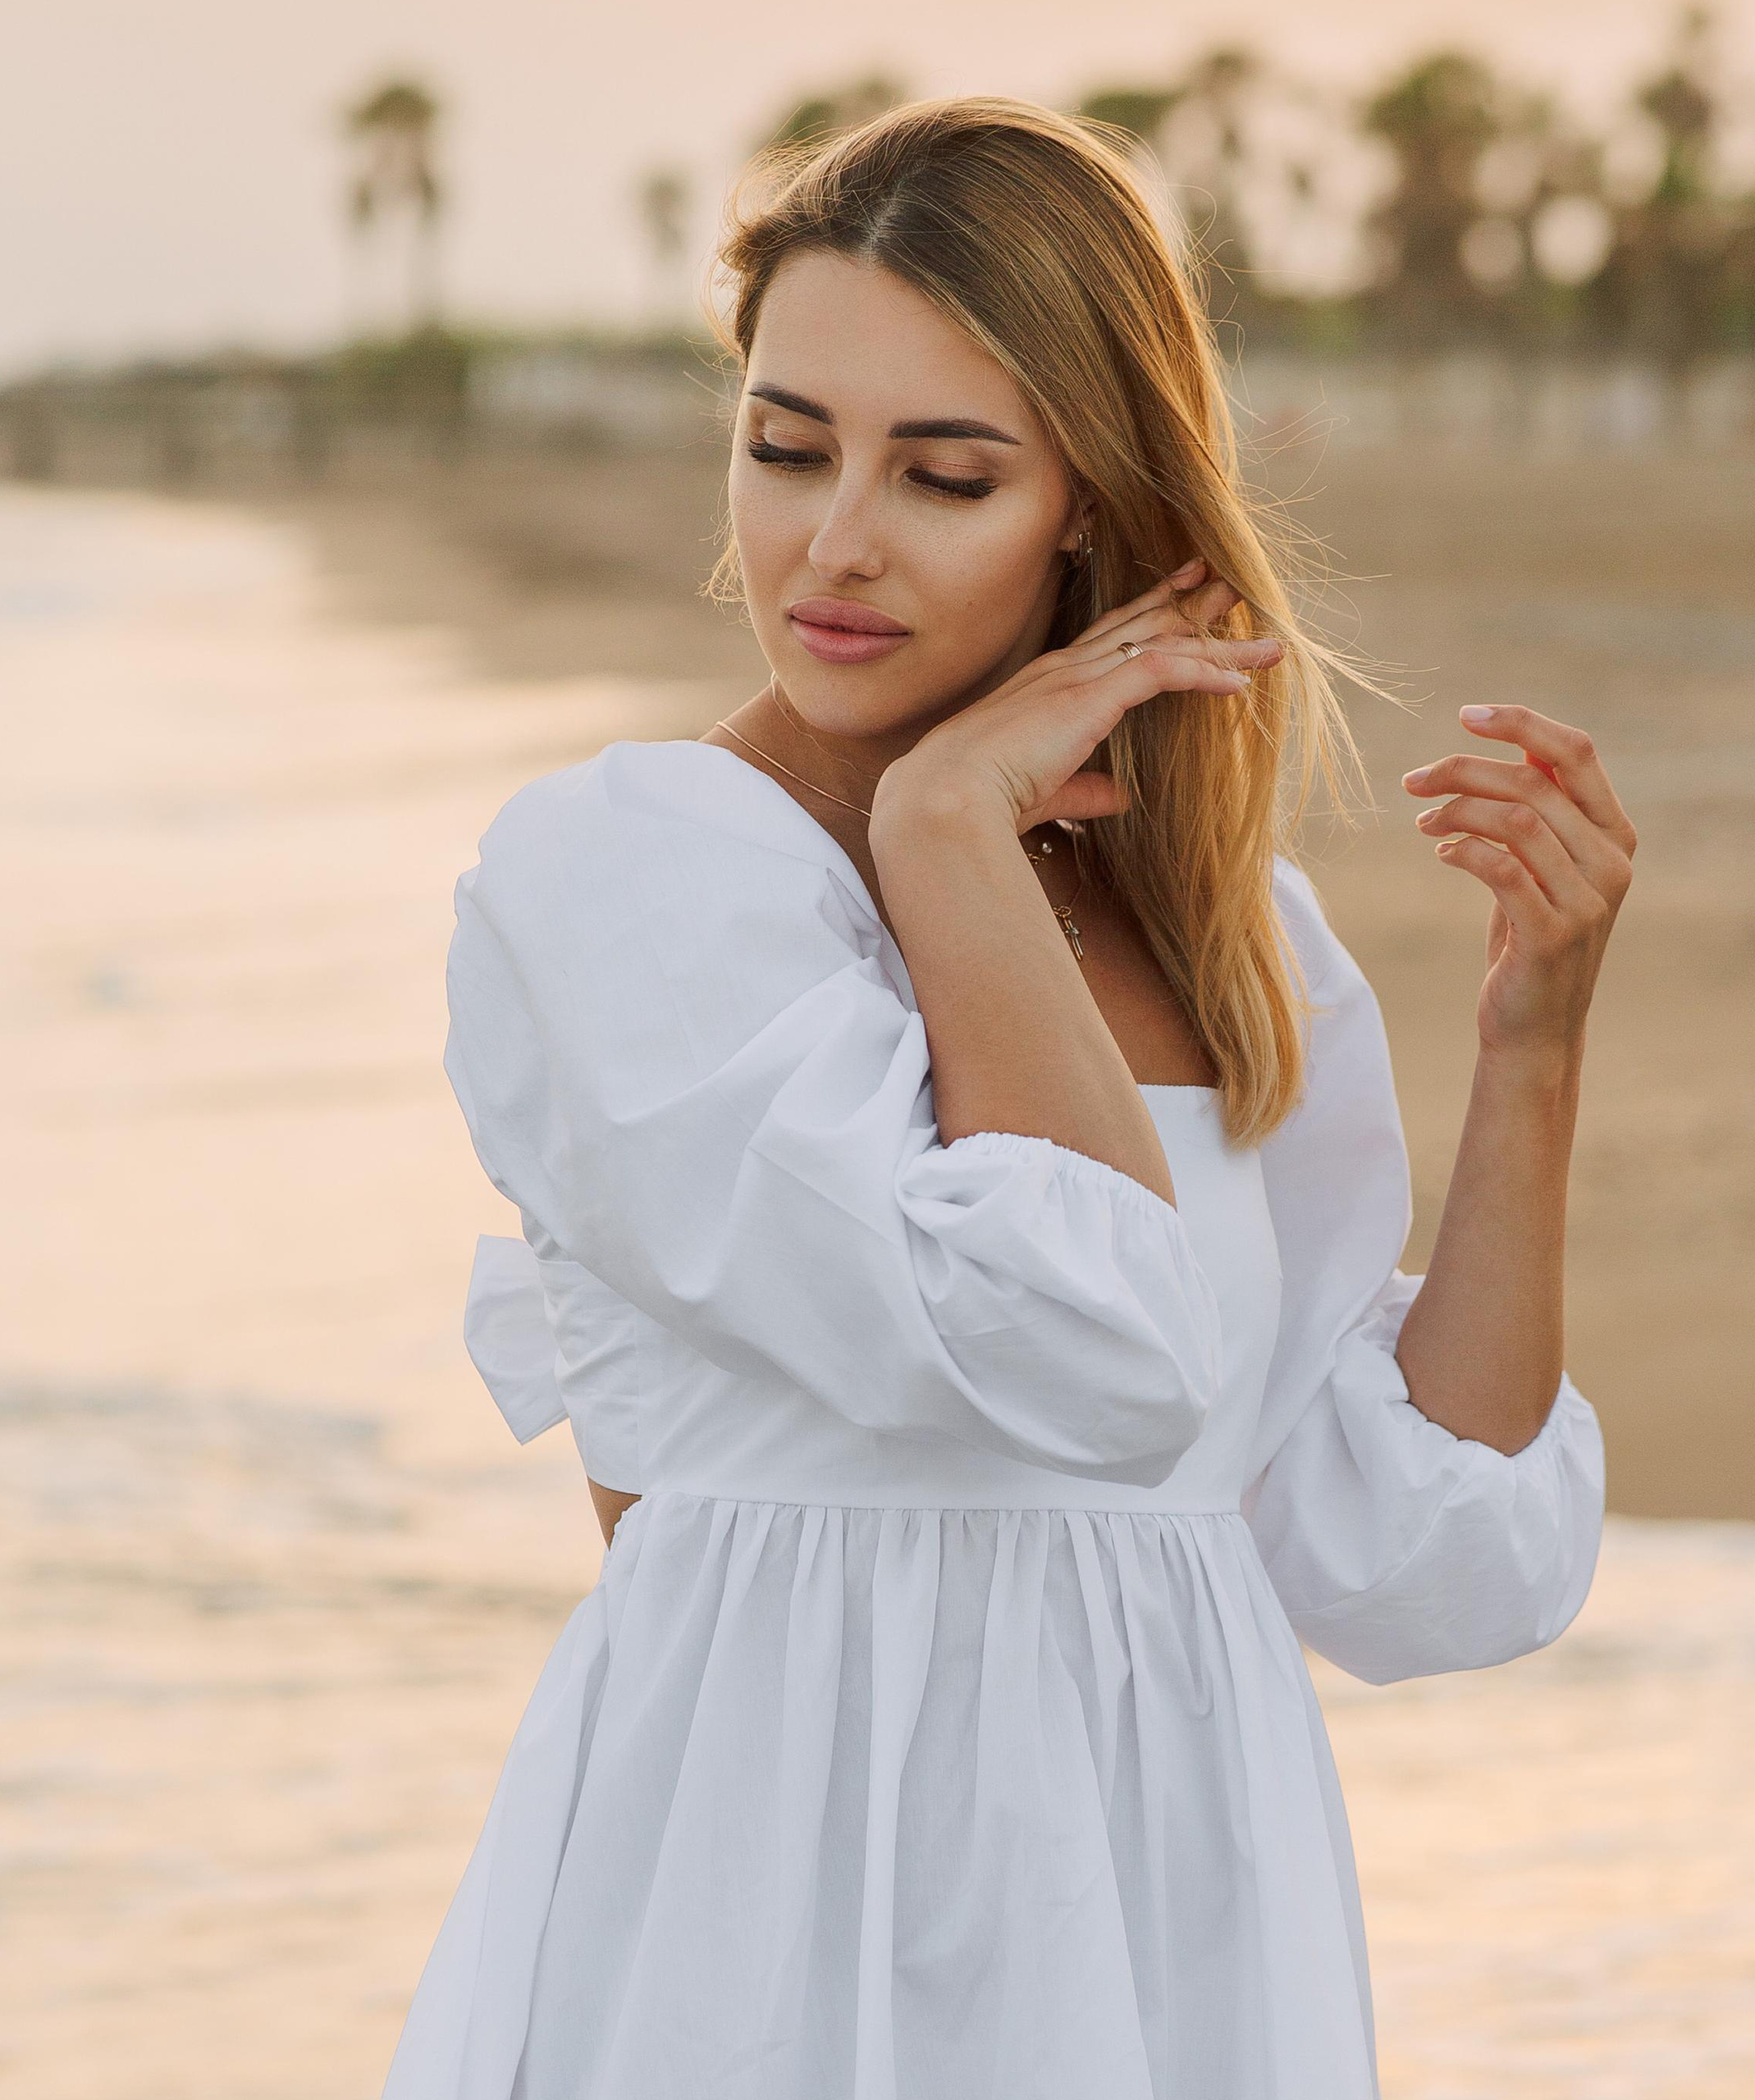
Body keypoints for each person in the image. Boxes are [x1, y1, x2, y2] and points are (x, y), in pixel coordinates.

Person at [379, 94, 1632, 2100]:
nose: (832, 539)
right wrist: (948, 824)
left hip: (1168, 1910)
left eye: (942, 473)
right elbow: (1086, 1331)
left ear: (1091, 508)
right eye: (785, 446)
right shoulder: (631, 882)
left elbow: (1420, 1560)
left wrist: (1532, 1049)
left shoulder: (1244, 935)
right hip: (765, 1907)